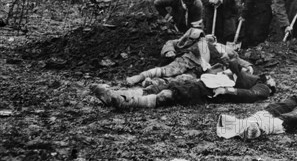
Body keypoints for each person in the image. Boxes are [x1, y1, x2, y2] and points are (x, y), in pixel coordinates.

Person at [91, 58, 276, 109]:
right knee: (159, 87)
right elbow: (235, 63)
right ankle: (115, 93)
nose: (273, 78)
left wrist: (228, 90)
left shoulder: (262, 87)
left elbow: (252, 96)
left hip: (209, 90)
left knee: (168, 95)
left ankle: (123, 101)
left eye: (273, 81)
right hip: (203, 81)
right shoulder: (251, 75)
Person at [125, 27, 251, 85]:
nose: (206, 40)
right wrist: (169, 51)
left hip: (203, 71)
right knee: (166, 70)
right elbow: (171, 43)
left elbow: (238, 59)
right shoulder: (189, 42)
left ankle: (153, 83)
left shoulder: (222, 48)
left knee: (183, 80)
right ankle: (138, 77)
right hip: (187, 60)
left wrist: (248, 67)